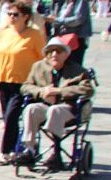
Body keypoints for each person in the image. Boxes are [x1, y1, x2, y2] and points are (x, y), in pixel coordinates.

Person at [15, 36, 94, 170]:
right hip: (46, 105)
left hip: (68, 109)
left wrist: (59, 91)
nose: (54, 55)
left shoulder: (78, 71)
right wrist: (41, 91)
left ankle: (56, 153)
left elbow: (87, 89)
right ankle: (29, 150)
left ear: (66, 54)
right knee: (31, 108)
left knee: (55, 110)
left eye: (58, 51)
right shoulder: (38, 67)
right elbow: (25, 87)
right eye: (50, 51)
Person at [0, 0, 46, 163]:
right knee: (7, 118)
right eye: (9, 14)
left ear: (26, 17)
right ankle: (15, 147)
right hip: (3, 79)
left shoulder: (34, 35)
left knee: (11, 116)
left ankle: (5, 151)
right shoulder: (5, 32)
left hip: (22, 83)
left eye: (16, 15)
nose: (12, 17)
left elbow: (43, 59)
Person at [50, 0, 93, 65]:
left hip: (77, 38)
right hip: (65, 38)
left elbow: (78, 19)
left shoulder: (81, 0)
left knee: (74, 65)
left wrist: (58, 20)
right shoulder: (68, 1)